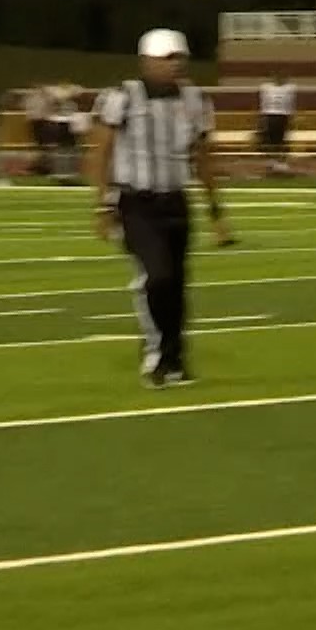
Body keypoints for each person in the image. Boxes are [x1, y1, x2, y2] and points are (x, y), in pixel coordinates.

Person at [85, 29, 234, 389]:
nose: (176, 64)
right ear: (147, 61)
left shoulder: (196, 100)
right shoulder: (122, 96)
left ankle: (174, 358)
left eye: (179, 57)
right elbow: (101, 150)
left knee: (177, 285)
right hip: (136, 201)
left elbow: (203, 157)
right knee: (158, 276)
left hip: (175, 199)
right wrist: (103, 205)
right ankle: (157, 353)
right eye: (167, 58)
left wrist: (216, 211)